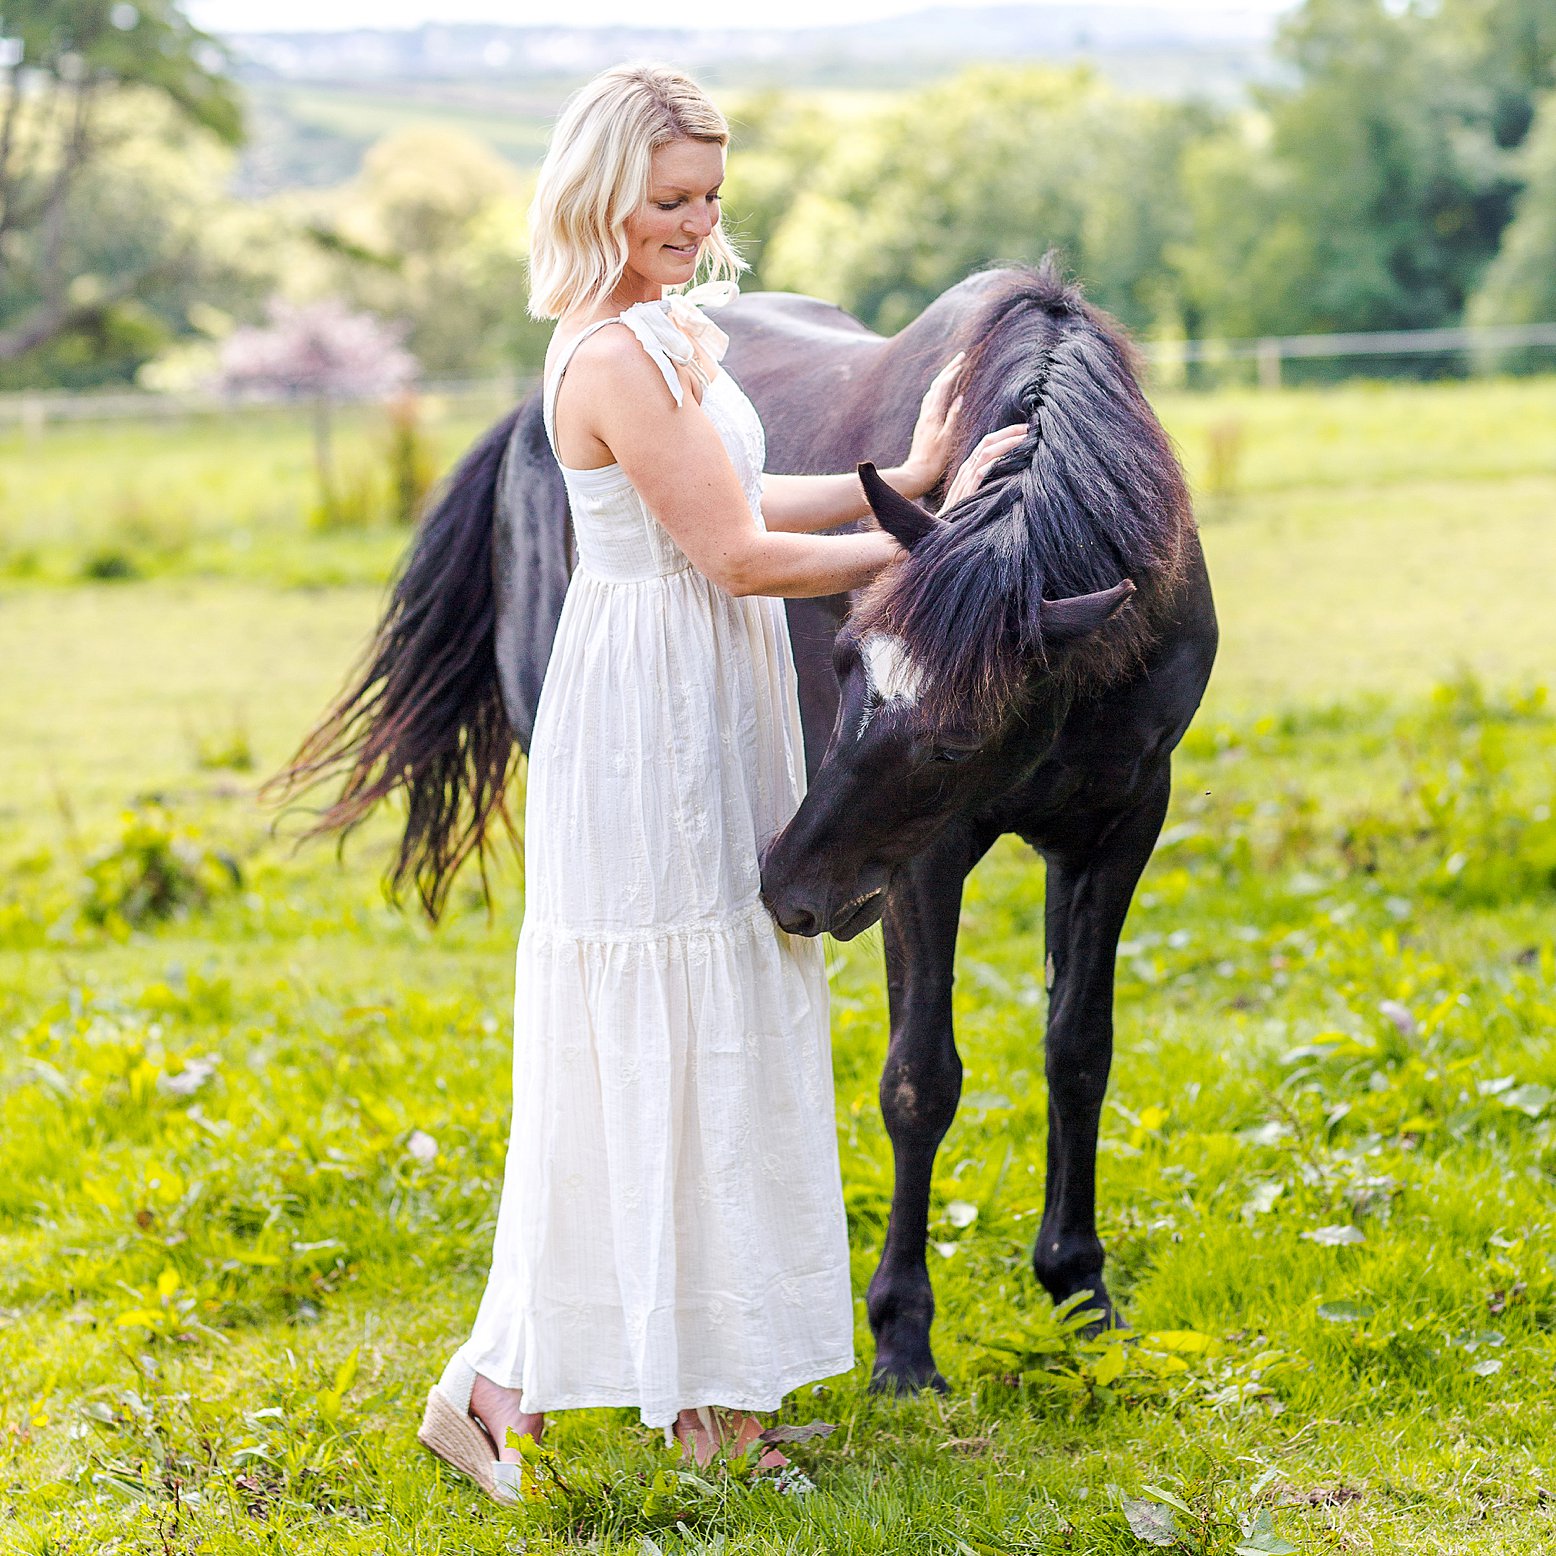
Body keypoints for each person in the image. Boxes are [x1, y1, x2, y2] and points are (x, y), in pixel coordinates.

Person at [414, 61, 1024, 1503]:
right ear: (605, 193)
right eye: (669, 200)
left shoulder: (665, 331)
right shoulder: (612, 356)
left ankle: (710, 1407)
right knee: (655, 1044)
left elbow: (747, 500)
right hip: (650, 718)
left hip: (713, 694)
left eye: (709, 197)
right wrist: (927, 554)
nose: (695, 223)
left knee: (723, 1037)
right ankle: (494, 1391)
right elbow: (738, 558)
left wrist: (914, 474)